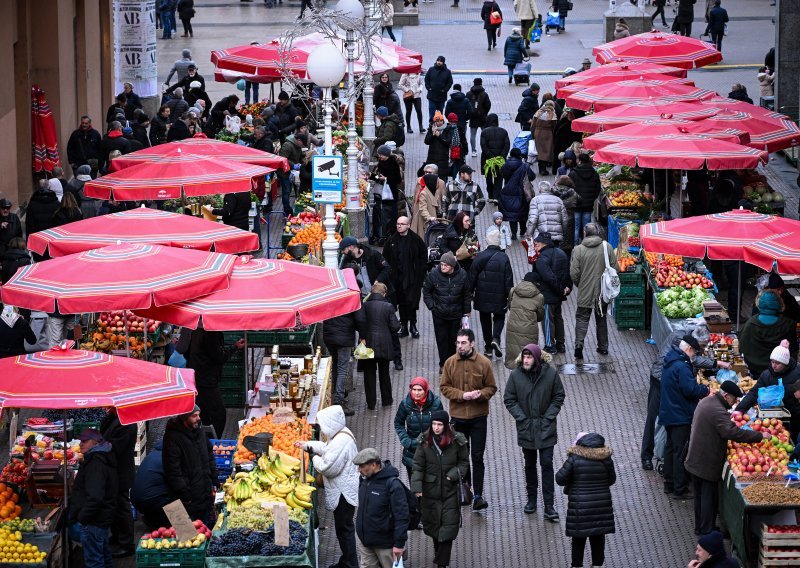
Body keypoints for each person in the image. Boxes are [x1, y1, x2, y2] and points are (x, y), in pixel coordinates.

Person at [641, 327, 729, 471]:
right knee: (654, 417)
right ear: (691, 345)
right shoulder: (680, 340)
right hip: (660, 380)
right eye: (700, 347)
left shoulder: (690, 338)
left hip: (669, 382)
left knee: (665, 424)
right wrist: (715, 364)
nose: (701, 349)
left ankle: (663, 459)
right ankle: (646, 456)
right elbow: (693, 359)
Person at [686, 380, 767, 536]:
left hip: (695, 458)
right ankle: (707, 531)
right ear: (726, 395)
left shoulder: (708, 402)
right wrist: (759, 436)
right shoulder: (717, 410)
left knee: (700, 496)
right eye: (734, 399)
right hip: (705, 461)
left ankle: (701, 527)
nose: (735, 402)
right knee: (708, 497)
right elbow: (732, 433)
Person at [503, 342, 566, 520]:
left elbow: (558, 396)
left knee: (546, 465)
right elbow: (509, 398)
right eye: (524, 356)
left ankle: (549, 506)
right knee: (529, 465)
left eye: (529, 357)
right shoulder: (516, 376)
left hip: (546, 428)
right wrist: (522, 418)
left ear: (537, 358)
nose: (526, 360)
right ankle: (531, 500)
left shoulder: (551, 374)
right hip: (526, 428)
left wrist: (548, 417)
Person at [440, 328, 497, 511]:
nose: (460, 346)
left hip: (478, 418)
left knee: (477, 456)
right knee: (462, 457)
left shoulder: (484, 363)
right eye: (458, 343)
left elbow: (492, 387)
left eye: (463, 343)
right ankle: (466, 490)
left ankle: (478, 495)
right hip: (458, 417)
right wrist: (463, 395)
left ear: (472, 343)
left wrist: (480, 394)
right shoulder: (450, 363)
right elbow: (444, 387)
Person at [297, 405, 360, 568]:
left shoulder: (341, 441)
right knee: (343, 528)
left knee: (344, 528)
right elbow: (326, 449)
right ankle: (347, 560)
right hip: (345, 488)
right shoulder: (341, 434)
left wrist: (312, 458)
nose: (323, 430)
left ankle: (350, 563)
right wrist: (306, 445)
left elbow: (327, 467)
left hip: (343, 492)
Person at [411, 410, 469, 568]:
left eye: (440, 424)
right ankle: (439, 555)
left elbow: (464, 463)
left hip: (450, 492)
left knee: (448, 530)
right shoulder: (424, 441)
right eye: (434, 424)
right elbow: (418, 466)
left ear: (446, 425)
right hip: (430, 492)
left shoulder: (457, 441)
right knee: (434, 528)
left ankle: (442, 563)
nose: (436, 427)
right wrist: (417, 487)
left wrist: (453, 475)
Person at [659, 334, 711, 499]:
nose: (694, 356)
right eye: (694, 352)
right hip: (680, 414)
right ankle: (680, 489)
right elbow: (690, 390)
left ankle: (669, 483)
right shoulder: (681, 366)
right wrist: (706, 390)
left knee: (670, 448)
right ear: (689, 349)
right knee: (680, 452)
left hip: (669, 412)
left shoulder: (670, 360)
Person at [555, 432, 616, 567]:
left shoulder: (575, 458)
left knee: (578, 538)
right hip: (601, 506)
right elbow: (612, 480)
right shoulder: (606, 458)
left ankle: (577, 565)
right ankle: (598, 565)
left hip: (580, 507)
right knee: (598, 537)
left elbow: (560, 478)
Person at [353, 448, 409, 568]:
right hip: (365, 542)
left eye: (362, 466)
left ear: (374, 465)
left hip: (386, 545)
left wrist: (399, 544)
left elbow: (402, 516)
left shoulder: (393, 485)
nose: (359, 470)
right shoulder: (364, 481)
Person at [69, 429, 117, 568]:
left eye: (84, 441)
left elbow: (95, 497)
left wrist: (83, 517)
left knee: (94, 561)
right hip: (101, 518)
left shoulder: (96, 464)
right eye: (80, 440)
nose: (80, 444)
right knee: (104, 556)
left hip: (94, 521)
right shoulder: (102, 457)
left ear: (94, 442)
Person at [569, 223, 618, 359]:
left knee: (581, 319)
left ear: (585, 233)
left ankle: (579, 346)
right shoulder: (606, 247)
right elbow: (615, 268)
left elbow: (574, 273)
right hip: (602, 292)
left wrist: (581, 284)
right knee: (601, 319)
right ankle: (603, 348)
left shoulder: (578, 250)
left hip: (585, 292)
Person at [162, 406, 217, 525]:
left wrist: (215, 479)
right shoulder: (171, 438)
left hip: (202, 495)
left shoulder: (200, 431)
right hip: (182, 501)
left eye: (199, 414)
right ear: (184, 417)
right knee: (184, 537)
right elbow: (172, 472)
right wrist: (186, 496)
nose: (198, 418)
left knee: (203, 536)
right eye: (194, 416)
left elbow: (209, 455)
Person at [185, 328, 246, 438]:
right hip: (205, 379)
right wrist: (235, 347)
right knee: (219, 414)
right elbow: (219, 357)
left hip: (196, 376)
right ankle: (213, 443)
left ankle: (204, 440)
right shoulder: (210, 333)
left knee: (204, 413)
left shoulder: (197, 329)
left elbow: (188, 352)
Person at [423, 253, 472, 370]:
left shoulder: (462, 275)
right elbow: (426, 292)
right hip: (439, 314)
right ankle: (443, 364)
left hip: (455, 315)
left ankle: (452, 363)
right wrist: (432, 307)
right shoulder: (434, 274)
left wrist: (466, 312)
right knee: (441, 340)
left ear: (452, 266)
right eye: (441, 264)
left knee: (453, 340)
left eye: (445, 265)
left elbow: (466, 295)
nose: (442, 267)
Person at [99, 407, 137, 558]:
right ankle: (116, 537)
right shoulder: (115, 418)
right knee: (114, 505)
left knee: (122, 507)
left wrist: (95, 448)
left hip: (120, 471)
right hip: (113, 471)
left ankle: (126, 544)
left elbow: (114, 448)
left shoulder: (126, 422)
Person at [470, 230, 513, 358]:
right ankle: (496, 338)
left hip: (482, 295)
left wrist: (469, 293)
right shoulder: (504, 258)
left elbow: (471, 277)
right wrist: (509, 297)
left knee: (485, 319)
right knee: (499, 316)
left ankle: (488, 346)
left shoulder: (480, 257)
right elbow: (508, 280)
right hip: (499, 295)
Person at [383, 216, 427, 339]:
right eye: (397, 223)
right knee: (402, 303)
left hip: (412, 278)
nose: (399, 226)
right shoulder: (392, 240)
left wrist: (420, 272)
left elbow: (423, 256)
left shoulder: (415, 240)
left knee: (412, 302)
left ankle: (413, 325)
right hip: (397, 279)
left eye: (402, 224)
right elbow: (385, 257)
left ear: (408, 225)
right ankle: (404, 326)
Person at [739, 291, 799, 377]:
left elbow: (742, 346)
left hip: (755, 371)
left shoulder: (750, 323)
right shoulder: (788, 324)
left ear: (759, 304)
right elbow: (793, 350)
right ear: (779, 304)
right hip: (780, 373)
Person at [530, 232, 571, 354]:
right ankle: (560, 344)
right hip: (559, 295)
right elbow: (567, 273)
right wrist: (567, 287)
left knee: (547, 321)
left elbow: (549, 278)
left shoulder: (541, 259)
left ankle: (549, 345)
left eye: (536, 243)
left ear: (544, 243)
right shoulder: (562, 253)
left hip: (548, 295)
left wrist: (559, 290)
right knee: (558, 319)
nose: (535, 245)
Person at [361, 282, 401, 410]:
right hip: (384, 344)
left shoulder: (364, 306)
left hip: (367, 345)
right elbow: (395, 326)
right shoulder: (388, 306)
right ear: (384, 293)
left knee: (369, 375)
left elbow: (360, 323)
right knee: (384, 373)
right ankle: (387, 400)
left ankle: (371, 403)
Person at [395, 377, 444, 480]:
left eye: (419, 390)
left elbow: (442, 423)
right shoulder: (405, 404)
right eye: (414, 390)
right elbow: (398, 423)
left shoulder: (436, 403)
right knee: (415, 488)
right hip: (412, 451)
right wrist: (406, 441)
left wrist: (435, 439)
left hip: (431, 450)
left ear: (425, 390)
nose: (416, 393)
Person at [130, 442, 171, 530]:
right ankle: (181, 529)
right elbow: (178, 484)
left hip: (135, 499)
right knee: (178, 496)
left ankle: (152, 520)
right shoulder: (168, 458)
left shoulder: (153, 454)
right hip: (151, 500)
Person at [499, 148, 535, 240]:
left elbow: (502, 174)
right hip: (522, 192)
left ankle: (514, 234)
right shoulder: (524, 166)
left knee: (512, 214)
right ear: (519, 155)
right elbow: (532, 176)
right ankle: (523, 230)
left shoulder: (505, 165)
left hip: (509, 192)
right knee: (522, 212)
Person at [569, 153, 602, 245]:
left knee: (576, 226)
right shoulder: (594, 173)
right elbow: (598, 188)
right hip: (588, 204)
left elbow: (569, 188)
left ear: (579, 160)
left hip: (576, 204)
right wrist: (592, 198)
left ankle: (575, 245)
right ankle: (586, 244)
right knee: (587, 226)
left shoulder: (573, 173)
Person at [527, 181, 569, 246]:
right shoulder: (558, 200)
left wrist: (529, 234)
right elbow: (565, 219)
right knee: (555, 254)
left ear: (539, 189)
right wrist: (563, 232)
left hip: (541, 236)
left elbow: (533, 219)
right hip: (556, 237)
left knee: (543, 255)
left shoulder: (535, 200)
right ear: (549, 189)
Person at [480, 113, 510, 203]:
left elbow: (483, 145)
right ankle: (497, 196)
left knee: (488, 177)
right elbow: (507, 145)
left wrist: (490, 156)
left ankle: (490, 195)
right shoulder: (503, 132)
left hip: (487, 160)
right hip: (499, 160)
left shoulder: (484, 132)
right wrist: (501, 156)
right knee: (499, 177)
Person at [277, 132, 308, 215]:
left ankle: (292, 208)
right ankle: (287, 210)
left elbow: (300, 155)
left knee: (292, 189)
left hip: (292, 172)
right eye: (302, 144)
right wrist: (293, 165)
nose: (302, 146)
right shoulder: (287, 145)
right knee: (286, 191)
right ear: (298, 140)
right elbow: (283, 158)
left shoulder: (297, 146)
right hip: (284, 173)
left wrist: (304, 159)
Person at [411, 171, 444, 238]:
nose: (438, 183)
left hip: (433, 221)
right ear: (432, 182)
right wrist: (429, 218)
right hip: (426, 223)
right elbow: (423, 209)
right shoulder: (424, 193)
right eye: (437, 182)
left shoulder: (434, 192)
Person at [531, 100, 559, 175]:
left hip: (538, 132)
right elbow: (554, 126)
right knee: (546, 151)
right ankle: (543, 169)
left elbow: (533, 125)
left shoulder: (538, 112)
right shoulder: (552, 114)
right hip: (548, 133)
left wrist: (533, 134)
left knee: (539, 151)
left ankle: (541, 168)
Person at [425, 56, 454, 123]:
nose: (439, 62)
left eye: (440, 61)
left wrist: (444, 90)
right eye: (438, 61)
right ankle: (431, 125)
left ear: (443, 62)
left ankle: (439, 125)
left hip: (441, 96)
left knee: (440, 112)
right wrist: (428, 87)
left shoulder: (447, 72)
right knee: (431, 111)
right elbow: (426, 79)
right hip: (432, 95)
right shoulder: (431, 69)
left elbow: (450, 82)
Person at [424, 112, 451, 180]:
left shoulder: (447, 129)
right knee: (431, 179)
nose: (439, 123)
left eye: (440, 121)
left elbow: (448, 142)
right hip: (432, 158)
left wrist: (439, 136)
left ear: (443, 121)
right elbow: (427, 141)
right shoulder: (431, 129)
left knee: (442, 179)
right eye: (437, 121)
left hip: (443, 159)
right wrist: (433, 135)